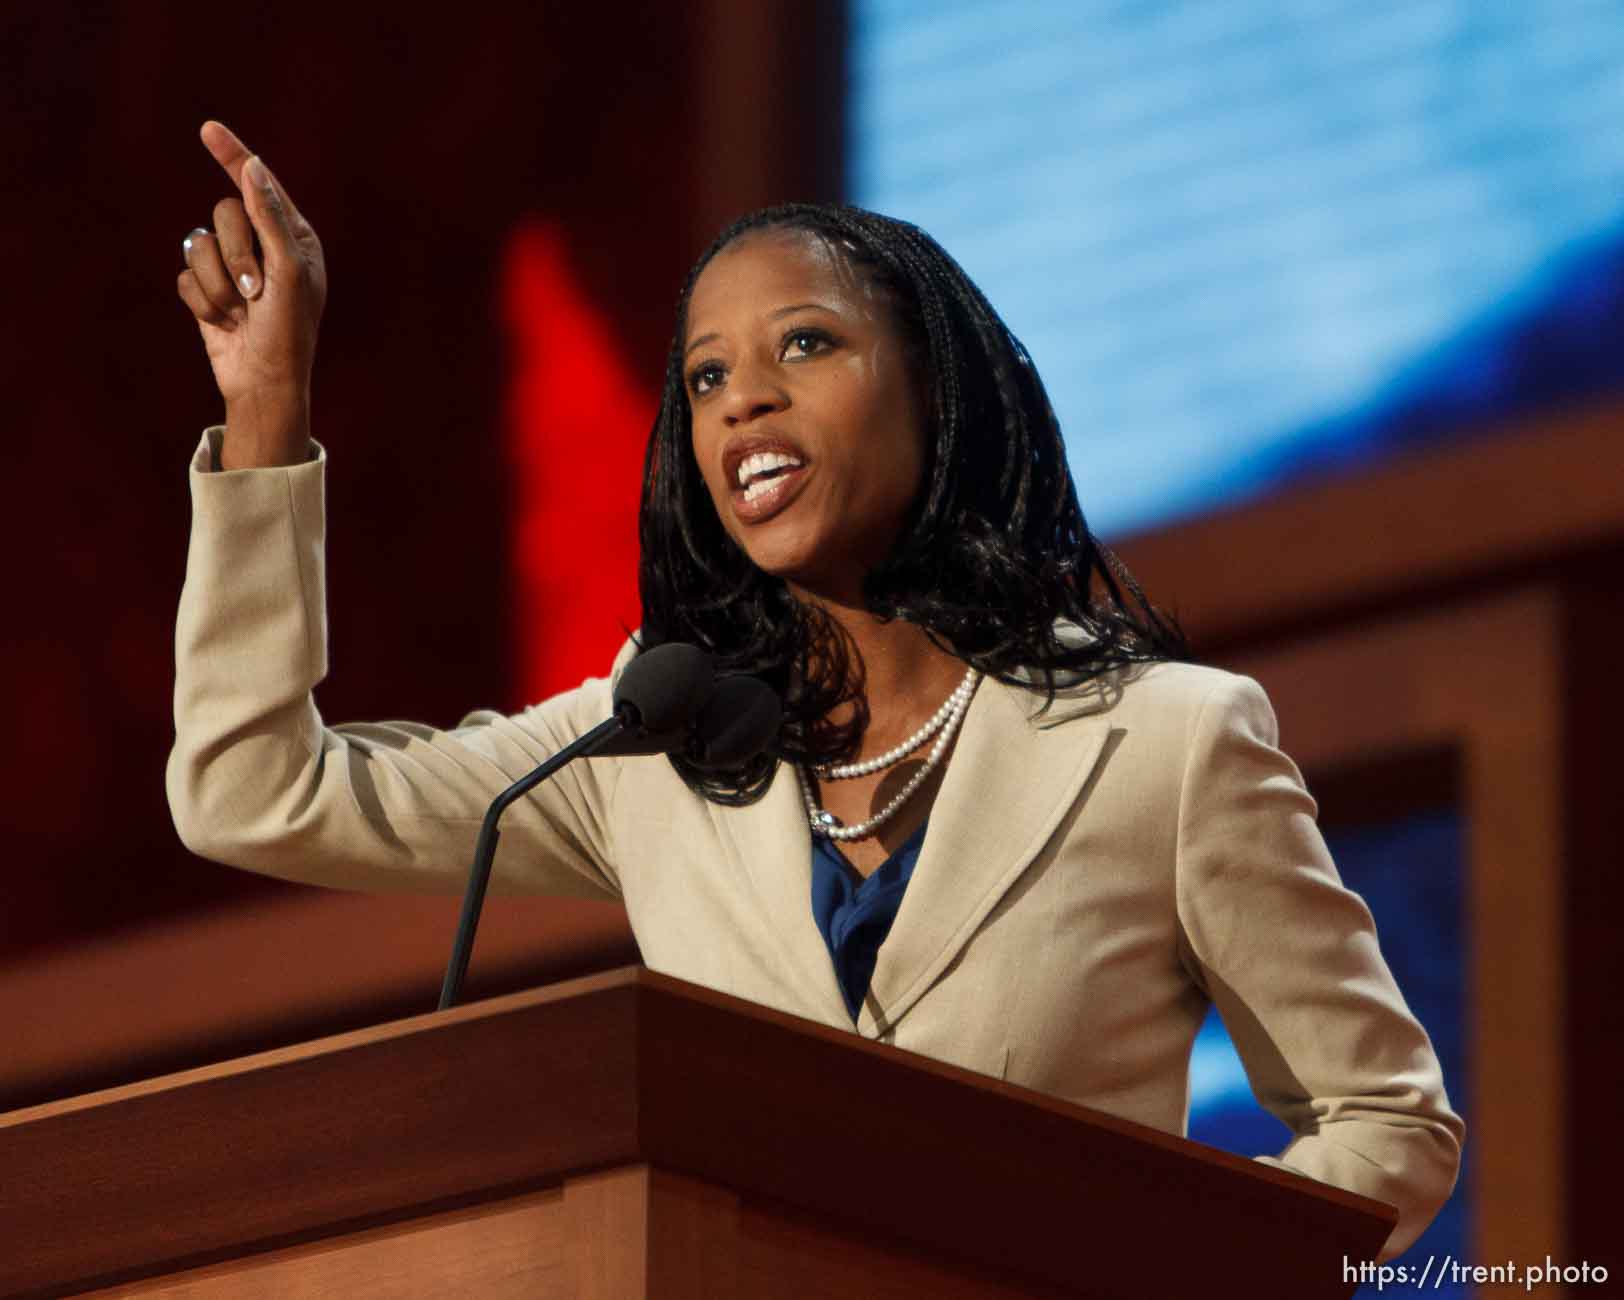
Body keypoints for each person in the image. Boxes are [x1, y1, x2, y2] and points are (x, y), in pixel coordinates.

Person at [169, 121, 1462, 1260]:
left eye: (805, 343)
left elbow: (1388, 1122)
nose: (744, 405)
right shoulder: (660, 740)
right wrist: (270, 408)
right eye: (707, 377)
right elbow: (253, 794)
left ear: (932, 390)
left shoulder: (1167, 743)